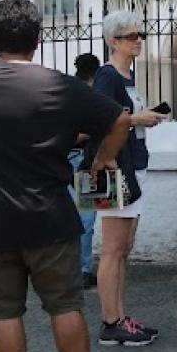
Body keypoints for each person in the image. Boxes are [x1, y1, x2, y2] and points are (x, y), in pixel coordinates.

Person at [0, 0, 130, 352]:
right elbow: (118, 121)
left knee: (4, 313)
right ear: (38, 39)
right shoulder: (61, 85)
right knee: (65, 307)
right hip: (50, 217)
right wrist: (103, 160)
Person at [91, 11, 170, 346]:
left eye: (140, 35)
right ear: (114, 41)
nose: (138, 40)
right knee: (112, 249)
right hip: (111, 168)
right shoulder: (108, 76)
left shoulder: (126, 75)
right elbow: (102, 119)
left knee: (124, 247)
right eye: (131, 36)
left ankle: (120, 317)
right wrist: (140, 117)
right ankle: (111, 323)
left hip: (130, 166)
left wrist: (140, 117)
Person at [67, 52, 102, 288]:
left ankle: (73, 268)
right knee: (87, 218)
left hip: (65, 160)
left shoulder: (66, 93)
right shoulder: (93, 95)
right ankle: (83, 269)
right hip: (86, 161)